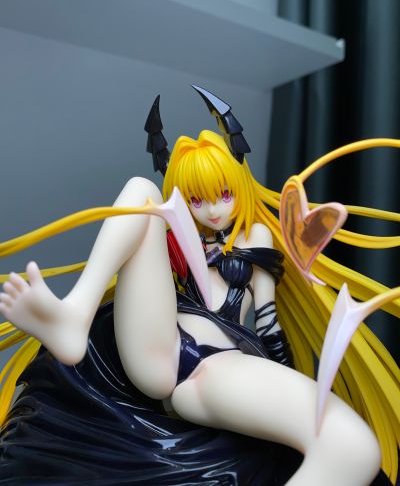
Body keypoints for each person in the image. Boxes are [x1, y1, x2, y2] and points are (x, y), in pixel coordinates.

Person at [0, 88, 398, 485]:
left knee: (351, 445)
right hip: (159, 351)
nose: (213, 210)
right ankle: (74, 314)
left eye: (223, 194)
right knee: (141, 189)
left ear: (239, 185)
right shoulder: (177, 237)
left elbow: (268, 320)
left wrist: (282, 382)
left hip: (216, 366)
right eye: (196, 200)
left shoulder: (255, 236)